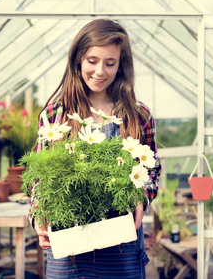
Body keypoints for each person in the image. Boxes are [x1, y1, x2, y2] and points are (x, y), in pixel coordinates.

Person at [29, 18, 161, 279]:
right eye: (92, 61)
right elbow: (39, 178)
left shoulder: (137, 115)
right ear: (78, 59)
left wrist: (140, 199)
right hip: (69, 254)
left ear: (120, 65)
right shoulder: (56, 114)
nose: (100, 71)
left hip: (121, 250)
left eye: (110, 63)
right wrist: (38, 216)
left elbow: (152, 170)